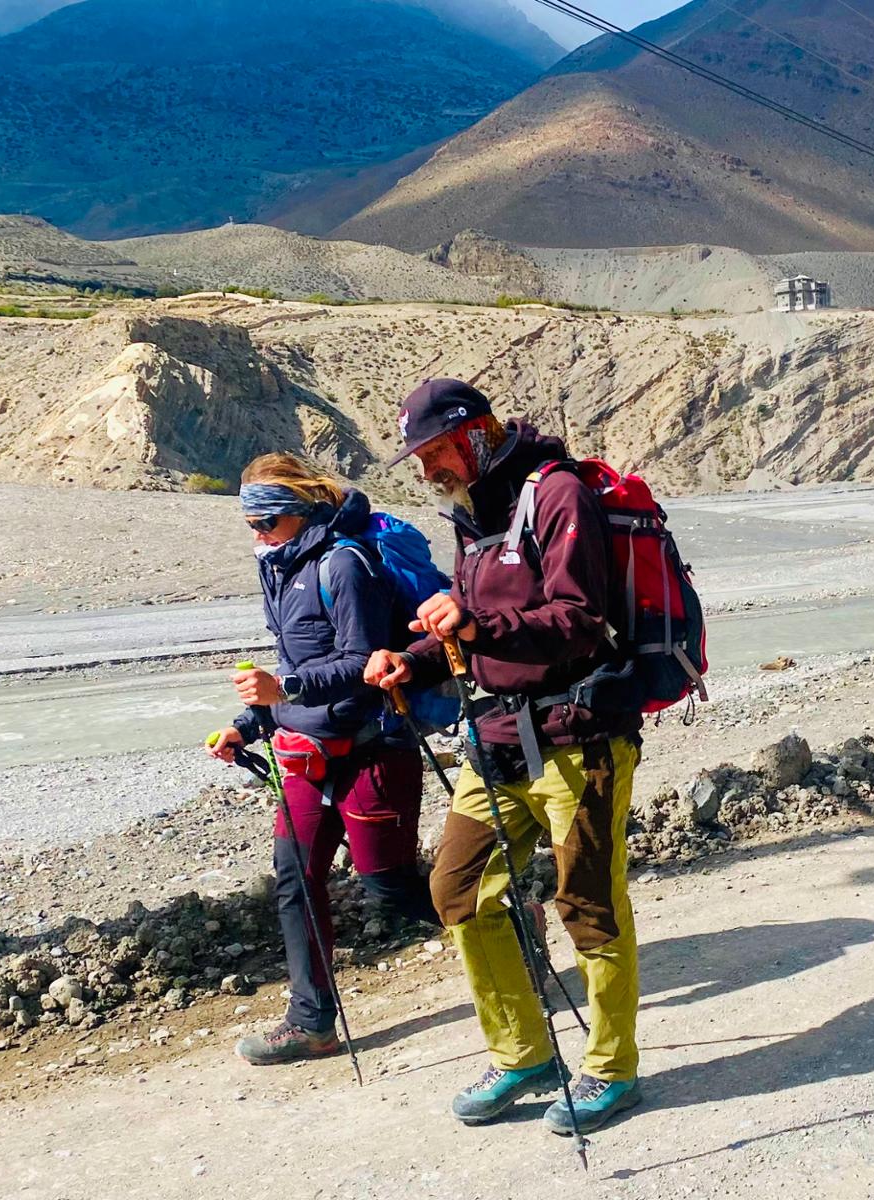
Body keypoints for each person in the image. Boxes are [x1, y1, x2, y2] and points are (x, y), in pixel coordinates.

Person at [362, 379, 645, 1135]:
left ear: (476, 432)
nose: (427, 472)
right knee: (457, 891)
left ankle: (611, 1069)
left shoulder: (556, 495)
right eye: (420, 460)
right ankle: (522, 1052)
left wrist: (475, 624)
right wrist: (413, 661)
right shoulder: (475, 514)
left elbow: (578, 620)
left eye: (433, 454)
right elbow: (467, 626)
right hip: (494, 737)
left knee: (588, 906)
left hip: (578, 736)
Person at [207, 453, 440, 1065]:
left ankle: (513, 923)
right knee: (296, 882)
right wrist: (247, 724)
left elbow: (365, 664)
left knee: (388, 887)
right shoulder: (280, 569)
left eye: (269, 522)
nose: (258, 536)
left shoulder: (345, 563)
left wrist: (282, 694)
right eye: (251, 525)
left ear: (302, 511)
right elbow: (293, 667)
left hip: (374, 747)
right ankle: (311, 1023)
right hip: (307, 753)